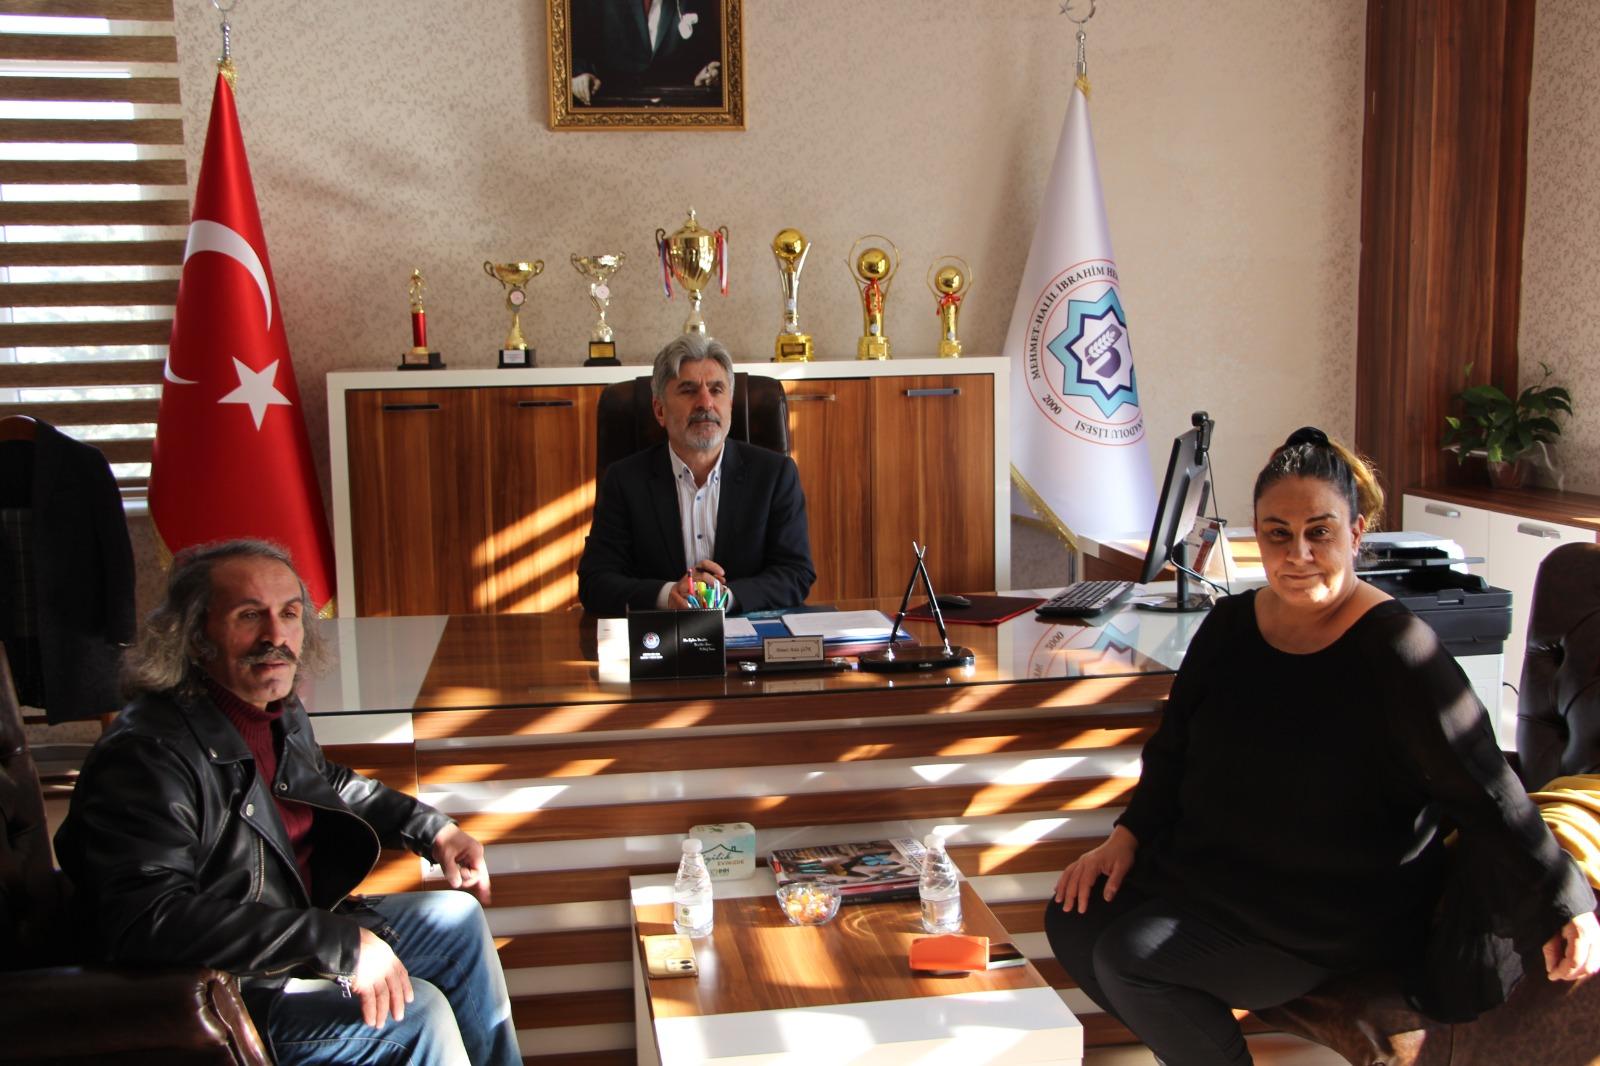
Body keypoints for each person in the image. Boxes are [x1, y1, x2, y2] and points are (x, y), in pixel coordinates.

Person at [1044, 428, 1598, 1066]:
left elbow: (1488, 788)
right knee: (1074, 917)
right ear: (1257, 535)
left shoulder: (1399, 651)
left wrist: (1565, 901)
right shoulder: (1229, 627)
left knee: (1134, 958)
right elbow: (1173, 753)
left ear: (1355, 533)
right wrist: (1128, 834)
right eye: (1278, 533)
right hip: (1223, 873)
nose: (1298, 554)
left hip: (1332, 909)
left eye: (1320, 532)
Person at [54, 540, 519, 1066]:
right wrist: (335, 942)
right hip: (222, 988)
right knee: (418, 1015)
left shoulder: (273, 705)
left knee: (456, 920)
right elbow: (148, 919)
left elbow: (321, 781)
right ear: (195, 635)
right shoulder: (147, 754)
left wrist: (432, 829)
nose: (275, 636)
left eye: (290, 614)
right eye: (250, 615)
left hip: (284, 932)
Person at [577, 333, 815, 616]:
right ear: (660, 410)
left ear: (730, 405)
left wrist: (726, 598)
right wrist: (668, 595)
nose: (705, 403)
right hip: (660, 636)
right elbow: (595, 582)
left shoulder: (775, 475)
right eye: (688, 390)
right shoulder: (624, 481)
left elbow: (795, 573)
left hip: (746, 633)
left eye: (716, 390)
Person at [570, 0, 722, 107]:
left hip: (676, 104)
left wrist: (705, 73)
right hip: (611, 103)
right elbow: (576, 48)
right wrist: (580, 74)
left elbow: (706, 53)